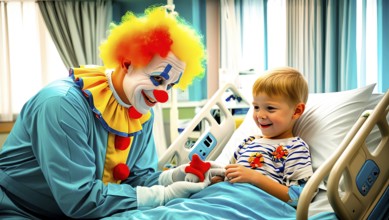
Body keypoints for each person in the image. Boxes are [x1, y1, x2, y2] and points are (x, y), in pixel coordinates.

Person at [0, 6, 213, 219]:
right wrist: (163, 195)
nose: (162, 95)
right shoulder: (61, 105)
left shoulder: (143, 112)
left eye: (170, 86)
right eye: (158, 79)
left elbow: (136, 179)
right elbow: (79, 198)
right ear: (127, 63)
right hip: (17, 209)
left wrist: (174, 177)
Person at [211, 67, 313, 207]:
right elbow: (228, 172)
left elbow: (300, 197)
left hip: (255, 206)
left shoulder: (295, 147)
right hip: (225, 198)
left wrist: (255, 178)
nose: (260, 115)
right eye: (256, 107)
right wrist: (217, 179)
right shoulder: (248, 142)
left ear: (296, 111)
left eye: (270, 108)